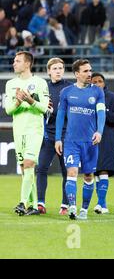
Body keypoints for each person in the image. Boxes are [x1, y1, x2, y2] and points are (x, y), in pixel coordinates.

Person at [55, 59, 106, 220]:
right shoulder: (67, 92)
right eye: (85, 71)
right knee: (71, 171)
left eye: (90, 70)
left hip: (90, 141)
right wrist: (58, 138)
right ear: (77, 74)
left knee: (89, 175)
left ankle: (84, 209)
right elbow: (60, 116)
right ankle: (72, 207)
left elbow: (101, 113)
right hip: (71, 141)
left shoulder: (97, 92)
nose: (89, 74)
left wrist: (99, 131)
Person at [5, 52, 49, 216]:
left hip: (34, 130)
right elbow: (9, 110)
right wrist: (18, 100)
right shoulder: (10, 84)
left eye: (17, 61)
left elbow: (45, 108)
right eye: (14, 61)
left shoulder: (39, 82)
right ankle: (34, 206)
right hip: (19, 130)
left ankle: (23, 202)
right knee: (25, 169)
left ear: (27, 64)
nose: (14, 63)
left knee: (30, 163)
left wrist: (29, 100)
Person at [35, 58, 72, 215]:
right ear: (48, 71)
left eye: (61, 68)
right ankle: (40, 204)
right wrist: (44, 109)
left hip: (66, 136)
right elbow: (37, 111)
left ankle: (65, 206)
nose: (58, 71)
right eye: (55, 68)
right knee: (41, 168)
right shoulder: (43, 88)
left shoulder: (70, 87)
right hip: (47, 136)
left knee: (66, 172)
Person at [91, 73, 114, 214]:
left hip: (108, 137)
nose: (98, 84)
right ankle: (101, 204)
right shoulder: (87, 98)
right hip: (91, 138)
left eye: (100, 81)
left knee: (103, 169)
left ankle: (101, 203)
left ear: (104, 83)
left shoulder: (113, 98)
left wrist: (103, 113)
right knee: (96, 172)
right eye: (94, 82)